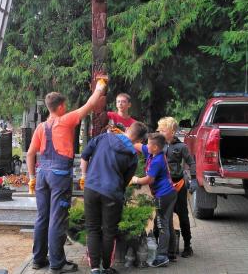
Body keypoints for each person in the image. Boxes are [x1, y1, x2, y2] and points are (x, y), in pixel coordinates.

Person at [26, 78, 107, 274]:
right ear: (61, 107)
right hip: (59, 176)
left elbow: (30, 154)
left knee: (42, 217)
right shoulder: (66, 120)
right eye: (66, 105)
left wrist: (31, 177)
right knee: (57, 218)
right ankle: (57, 263)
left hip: (42, 174)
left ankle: (38, 260)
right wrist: (100, 87)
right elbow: (89, 104)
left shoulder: (41, 127)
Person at [79, 121, 149, 274]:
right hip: (112, 193)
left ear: (128, 129)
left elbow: (84, 156)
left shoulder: (103, 138)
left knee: (92, 229)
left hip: (91, 188)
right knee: (109, 232)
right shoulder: (132, 156)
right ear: (139, 141)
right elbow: (125, 181)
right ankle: (105, 267)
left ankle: (94, 269)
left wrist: (85, 176)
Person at [131, 133, 177, 268]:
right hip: (169, 193)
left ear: (155, 147)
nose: (146, 145)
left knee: (162, 225)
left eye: (149, 144)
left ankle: (162, 256)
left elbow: (149, 179)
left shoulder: (157, 161)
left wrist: (135, 180)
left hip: (163, 195)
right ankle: (171, 253)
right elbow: (138, 145)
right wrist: (123, 135)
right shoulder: (154, 153)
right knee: (167, 223)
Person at [156, 117, 197, 258]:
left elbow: (191, 163)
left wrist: (195, 180)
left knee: (183, 216)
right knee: (160, 216)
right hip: (162, 186)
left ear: (172, 131)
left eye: (163, 130)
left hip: (178, 186)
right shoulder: (158, 146)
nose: (160, 132)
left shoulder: (181, 147)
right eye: (159, 129)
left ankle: (187, 246)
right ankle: (160, 246)